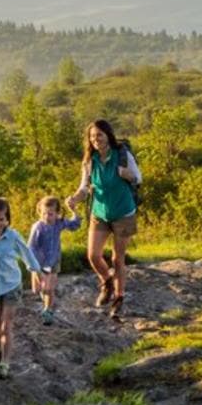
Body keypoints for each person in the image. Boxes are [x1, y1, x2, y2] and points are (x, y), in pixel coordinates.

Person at [68, 119, 141, 319]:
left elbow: (138, 179)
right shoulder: (89, 161)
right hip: (99, 213)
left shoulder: (123, 156)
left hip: (124, 212)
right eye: (92, 136)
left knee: (118, 258)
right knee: (93, 255)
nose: (95, 139)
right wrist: (75, 198)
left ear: (108, 135)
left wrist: (128, 175)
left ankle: (119, 297)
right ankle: (107, 282)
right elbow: (85, 188)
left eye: (99, 135)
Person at [0, 197, 44, 380]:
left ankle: (5, 363)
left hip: (11, 285)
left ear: (7, 219)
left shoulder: (12, 236)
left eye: (2, 219)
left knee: (6, 327)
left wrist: (36, 272)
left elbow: (26, 253)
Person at [27, 196, 82, 325]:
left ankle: (48, 311)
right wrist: (34, 268)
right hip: (39, 262)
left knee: (50, 289)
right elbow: (31, 247)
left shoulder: (59, 223)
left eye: (50, 214)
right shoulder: (38, 227)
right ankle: (42, 292)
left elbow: (74, 225)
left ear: (57, 213)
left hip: (54, 261)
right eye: (44, 213)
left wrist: (74, 211)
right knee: (38, 290)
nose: (46, 216)